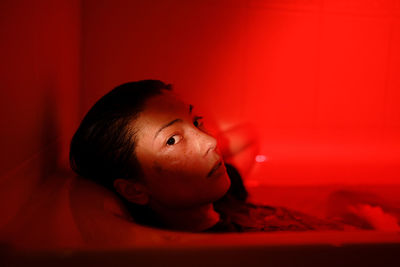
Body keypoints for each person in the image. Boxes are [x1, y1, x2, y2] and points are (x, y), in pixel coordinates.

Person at [69, 80, 398, 232]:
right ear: (134, 189)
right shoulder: (232, 251)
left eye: (195, 121)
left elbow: (247, 134)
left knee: (343, 196)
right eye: (172, 140)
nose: (209, 140)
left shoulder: (221, 196)